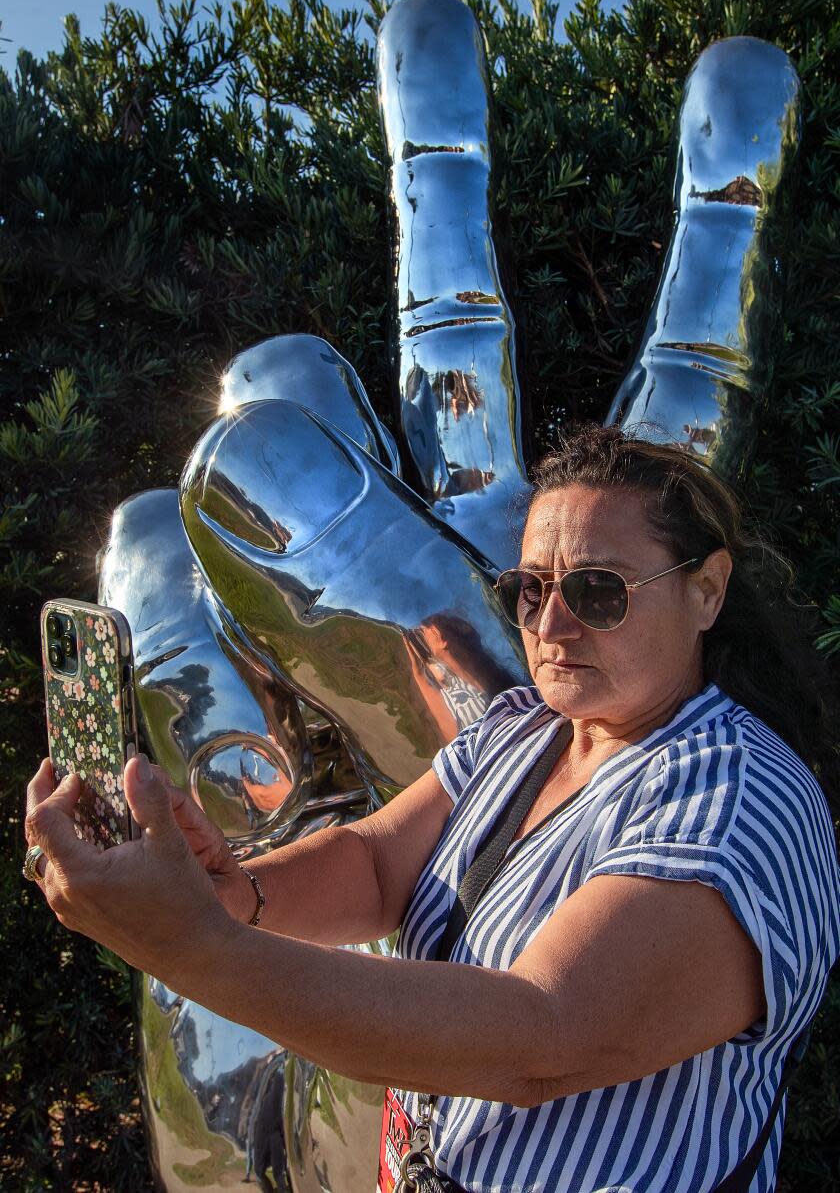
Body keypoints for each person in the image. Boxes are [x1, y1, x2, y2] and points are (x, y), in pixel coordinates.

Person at [24, 424, 840, 1193]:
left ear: (706, 590)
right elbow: (378, 863)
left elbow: (538, 1040)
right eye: (530, 590)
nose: (552, 624)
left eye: (598, 592)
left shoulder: (736, 798)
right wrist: (232, 892)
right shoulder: (526, 730)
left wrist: (195, 947)